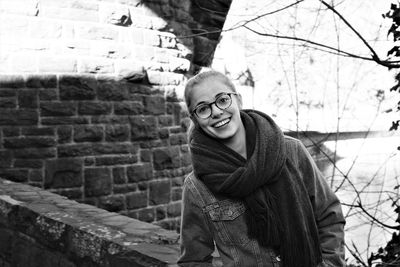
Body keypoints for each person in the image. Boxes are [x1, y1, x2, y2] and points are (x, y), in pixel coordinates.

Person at [177, 69, 346, 267]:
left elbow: (329, 216)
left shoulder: (291, 151)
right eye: (203, 108)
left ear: (238, 100)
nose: (216, 111)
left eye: (222, 100)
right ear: (195, 119)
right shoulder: (197, 187)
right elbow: (194, 260)